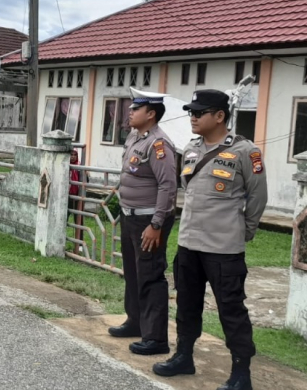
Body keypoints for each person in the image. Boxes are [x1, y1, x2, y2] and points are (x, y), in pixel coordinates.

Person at [152, 89, 267, 390]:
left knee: (232, 311)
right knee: (187, 305)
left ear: (219, 116)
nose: (193, 116)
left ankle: (241, 374)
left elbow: (257, 197)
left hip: (223, 249)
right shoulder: (191, 149)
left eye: (199, 112)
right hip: (189, 244)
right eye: (191, 111)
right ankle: (184, 356)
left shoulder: (246, 152)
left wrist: (246, 231)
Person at [107, 88, 178, 357]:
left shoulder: (159, 144)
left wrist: (156, 224)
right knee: (134, 272)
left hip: (149, 220)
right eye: (131, 108)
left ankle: (156, 338)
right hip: (131, 216)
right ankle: (135, 321)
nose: (130, 111)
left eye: (136, 109)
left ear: (151, 114)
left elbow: (168, 186)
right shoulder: (136, 137)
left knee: (150, 275)